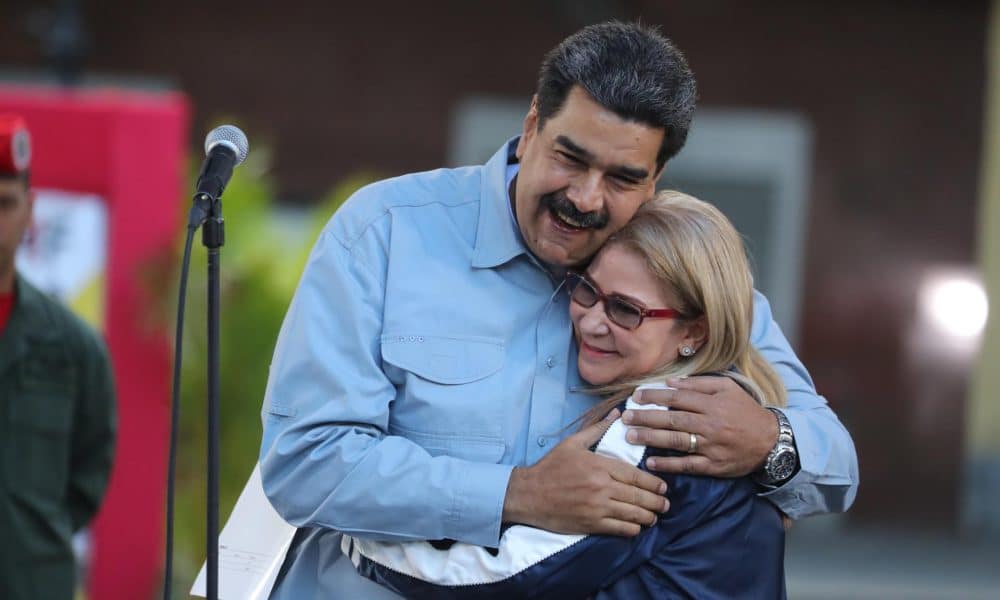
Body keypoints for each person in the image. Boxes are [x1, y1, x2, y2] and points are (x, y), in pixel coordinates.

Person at [259, 21, 858, 598]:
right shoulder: (385, 232)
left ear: (655, 179)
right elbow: (304, 463)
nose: (585, 197)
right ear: (531, 126)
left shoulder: (687, 285)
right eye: (571, 158)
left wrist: (767, 441)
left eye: (622, 178)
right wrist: (514, 494)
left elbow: (835, 463)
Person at [348, 191, 789, 599]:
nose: (592, 321)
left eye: (625, 310)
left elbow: (512, 575)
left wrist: (363, 549)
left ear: (694, 331)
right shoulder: (733, 406)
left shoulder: (661, 423)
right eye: (588, 290)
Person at [0, 115, 117, 599]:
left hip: (31, 582)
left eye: (4, 204)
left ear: (30, 211)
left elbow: (89, 469)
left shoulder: (73, 346)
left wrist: (30, 537)